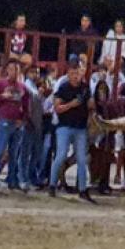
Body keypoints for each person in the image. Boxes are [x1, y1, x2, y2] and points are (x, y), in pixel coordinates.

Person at [47, 64, 94, 202]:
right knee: (61, 155)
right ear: (68, 74)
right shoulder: (63, 88)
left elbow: (91, 105)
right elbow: (57, 108)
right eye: (73, 73)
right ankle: (52, 184)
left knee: (81, 158)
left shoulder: (85, 89)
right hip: (65, 126)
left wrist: (91, 105)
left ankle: (82, 189)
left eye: (77, 73)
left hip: (80, 127)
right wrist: (70, 105)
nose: (75, 76)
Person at [0, 58, 27, 194]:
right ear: (7, 70)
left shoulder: (22, 87)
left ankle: (11, 180)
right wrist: (2, 96)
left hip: (17, 123)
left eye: (17, 69)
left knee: (14, 153)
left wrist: (22, 119)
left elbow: (26, 105)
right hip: (4, 121)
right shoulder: (0, 84)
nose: (14, 72)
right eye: (12, 69)